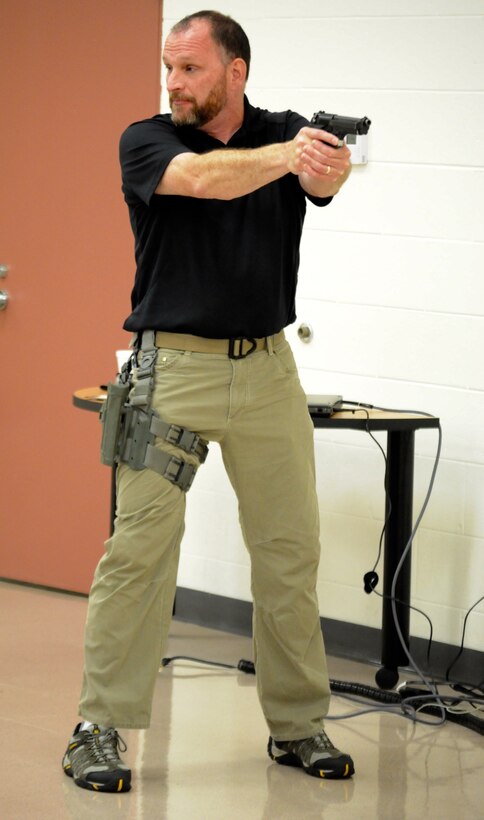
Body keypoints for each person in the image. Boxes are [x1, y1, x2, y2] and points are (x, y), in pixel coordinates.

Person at [62, 10, 355, 793]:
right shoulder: (148, 141)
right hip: (172, 374)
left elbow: (327, 179)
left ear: (236, 71)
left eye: (189, 69)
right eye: (169, 67)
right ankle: (97, 726)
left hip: (267, 370)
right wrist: (290, 158)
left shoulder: (287, 133)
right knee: (139, 555)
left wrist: (326, 167)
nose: (173, 83)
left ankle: (297, 725)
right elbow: (205, 181)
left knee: (289, 554)